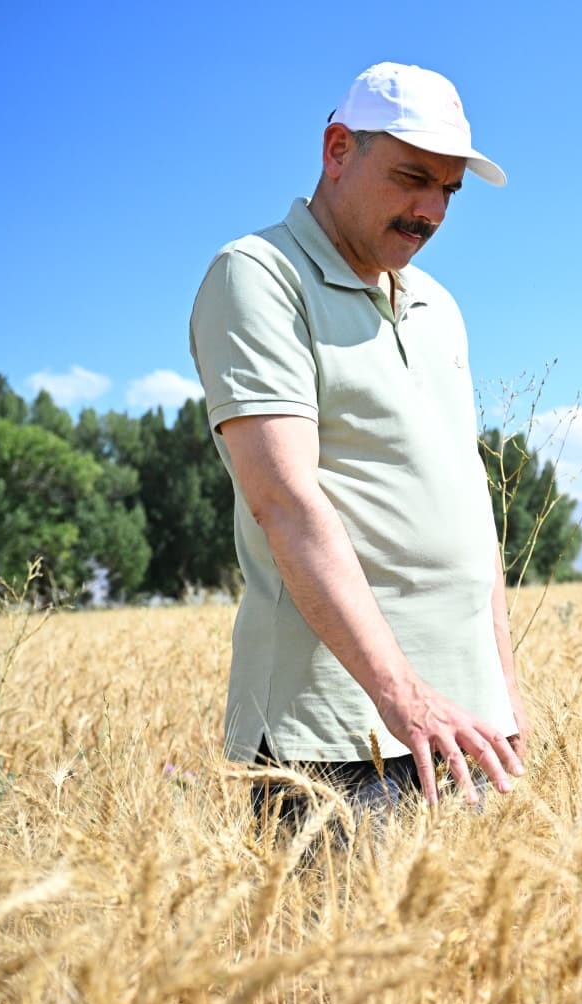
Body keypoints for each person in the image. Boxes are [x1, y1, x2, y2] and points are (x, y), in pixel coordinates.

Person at [189, 62, 527, 825]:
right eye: (412, 177)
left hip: (467, 732)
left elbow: (470, 507)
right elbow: (284, 502)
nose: (431, 210)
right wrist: (404, 699)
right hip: (340, 741)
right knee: (337, 946)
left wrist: (501, 692)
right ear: (337, 149)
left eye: (449, 189)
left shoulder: (440, 306)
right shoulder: (259, 276)